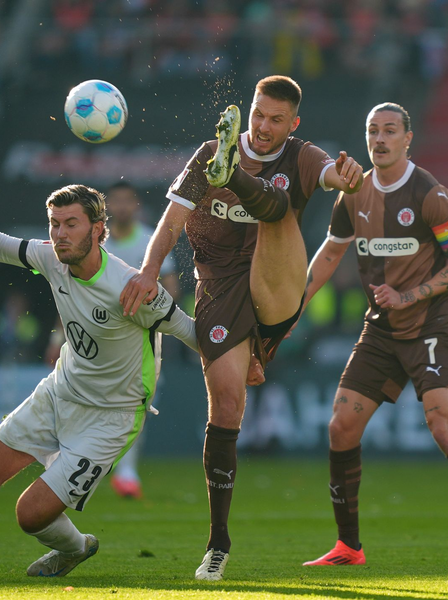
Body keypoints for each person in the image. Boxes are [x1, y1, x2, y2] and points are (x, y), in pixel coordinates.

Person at [120, 75, 364, 581]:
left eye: (277, 120)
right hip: (218, 289)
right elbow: (169, 223)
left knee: (276, 211)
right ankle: (218, 543)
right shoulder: (208, 152)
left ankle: (236, 180)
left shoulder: (301, 154)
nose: (265, 126)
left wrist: (344, 177)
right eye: (258, 115)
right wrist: (147, 271)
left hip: (276, 279)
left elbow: (328, 176)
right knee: (228, 403)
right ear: (249, 111)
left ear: (293, 123)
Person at [0, 180, 198, 580]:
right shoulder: (50, 258)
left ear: (99, 228)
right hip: (58, 393)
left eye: (71, 224)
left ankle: (77, 547)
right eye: (54, 224)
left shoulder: (130, 287)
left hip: (111, 416)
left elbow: (190, 331)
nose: (60, 234)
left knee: (30, 516)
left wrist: (247, 359)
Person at [300, 103, 448, 568]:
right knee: (340, 426)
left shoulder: (429, 193)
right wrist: (293, 305)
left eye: (389, 131)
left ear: (407, 138)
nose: (379, 139)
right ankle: (348, 547)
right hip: (380, 329)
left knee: (441, 420)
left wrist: (410, 294)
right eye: (372, 131)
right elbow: (331, 253)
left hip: (429, 326)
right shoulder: (352, 192)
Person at [44, 181, 181, 499]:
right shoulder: (92, 243)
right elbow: (72, 291)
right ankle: (74, 461)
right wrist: (56, 336)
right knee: (82, 397)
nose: (121, 207)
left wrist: (146, 307)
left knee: (137, 403)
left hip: (138, 339)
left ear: (135, 206)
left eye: (126, 201)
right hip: (92, 336)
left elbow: (172, 289)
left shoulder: (151, 241)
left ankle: (127, 471)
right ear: (106, 212)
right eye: (115, 201)